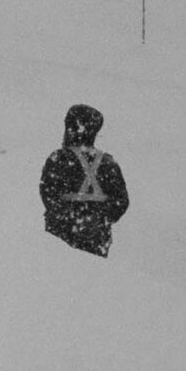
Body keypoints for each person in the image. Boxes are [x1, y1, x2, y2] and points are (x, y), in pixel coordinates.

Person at [40, 103, 129, 258]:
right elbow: (121, 201)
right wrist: (97, 218)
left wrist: (66, 217)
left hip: (60, 236)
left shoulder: (58, 158)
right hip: (95, 237)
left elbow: (48, 193)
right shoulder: (108, 163)